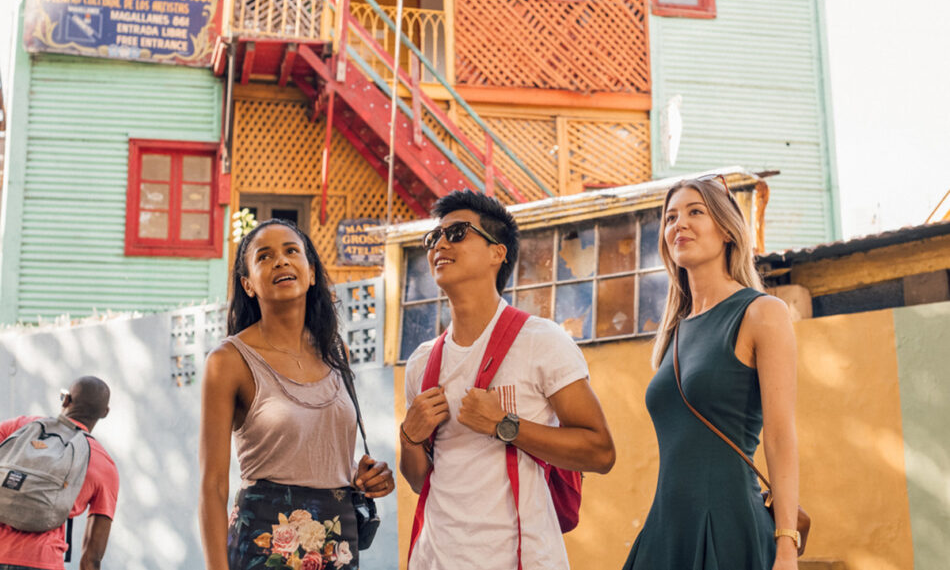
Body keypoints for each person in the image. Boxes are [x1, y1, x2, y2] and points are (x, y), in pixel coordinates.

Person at [400, 190, 616, 570]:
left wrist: (505, 426)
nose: (439, 245)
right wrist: (410, 438)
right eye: (434, 237)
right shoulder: (422, 362)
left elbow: (600, 452)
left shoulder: (541, 341)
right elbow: (419, 480)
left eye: (457, 233)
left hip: (522, 559)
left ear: (497, 253)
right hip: (435, 559)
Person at [622, 177, 800, 570]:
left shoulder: (762, 312)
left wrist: (786, 544)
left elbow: (781, 436)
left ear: (726, 231)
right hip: (666, 529)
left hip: (728, 525)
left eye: (695, 212)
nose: (678, 224)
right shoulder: (675, 330)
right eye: (670, 217)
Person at [199, 219, 395, 570]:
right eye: (265, 256)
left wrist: (361, 475)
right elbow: (212, 485)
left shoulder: (337, 352)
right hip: (263, 544)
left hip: (337, 544)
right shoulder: (228, 361)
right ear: (247, 284)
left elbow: (319, 454)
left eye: (292, 251)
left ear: (312, 272)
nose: (281, 261)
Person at [0, 376, 119, 570]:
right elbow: (92, 557)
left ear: (66, 400)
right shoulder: (104, 464)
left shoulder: (21, 427)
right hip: (43, 561)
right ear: (105, 413)